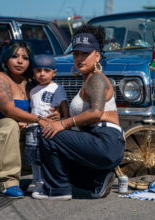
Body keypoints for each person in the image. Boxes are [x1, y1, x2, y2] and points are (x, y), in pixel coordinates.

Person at [32, 24, 125, 200]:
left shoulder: (96, 79)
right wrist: (62, 117)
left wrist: (63, 124)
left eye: (85, 54)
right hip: (101, 141)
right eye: (76, 54)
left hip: (105, 140)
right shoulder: (89, 80)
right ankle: (97, 180)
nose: (80, 58)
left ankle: (58, 190)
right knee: (58, 143)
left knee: (46, 134)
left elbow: (96, 113)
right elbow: (85, 118)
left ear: (97, 56)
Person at [0, 40, 54, 198]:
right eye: (15, 56)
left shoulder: (30, 83)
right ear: (5, 59)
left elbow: (44, 107)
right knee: (9, 124)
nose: (20, 61)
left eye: (25, 58)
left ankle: (48, 176)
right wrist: (38, 119)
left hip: (15, 135)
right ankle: (6, 183)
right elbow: (9, 110)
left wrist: (57, 114)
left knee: (47, 132)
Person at [25, 54, 69, 193]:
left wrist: (65, 120)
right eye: (38, 70)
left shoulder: (57, 88)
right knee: (33, 155)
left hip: (49, 127)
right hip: (32, 127)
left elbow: (63, 106)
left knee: (46, 154)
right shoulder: (32, 90)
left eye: (46, 70)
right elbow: (30, 108)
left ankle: (45, 180)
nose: (42, 74)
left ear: (54, 73)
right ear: (33, 72)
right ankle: (35, 179)